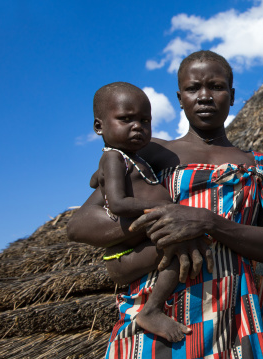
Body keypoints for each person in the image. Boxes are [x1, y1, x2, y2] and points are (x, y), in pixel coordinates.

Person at [68, 50, 263, 358]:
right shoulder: (151, 153)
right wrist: (166, 222)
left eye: (216, 86)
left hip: (235, 313)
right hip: (160, 311)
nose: (204, 96)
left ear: (232, 95)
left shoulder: (257, 167)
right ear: (180, 98)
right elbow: (80, 225)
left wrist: (208, 221)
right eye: (193, 88)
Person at [90, 81, 192, 342]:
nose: (137, 126)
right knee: (177, 245)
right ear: (99, 126)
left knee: (180, 244)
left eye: (144, 121)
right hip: (124, 252)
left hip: (139, 242)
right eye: (126, 119)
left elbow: (96, 181)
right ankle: (152, 310)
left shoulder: (132, 158)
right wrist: (167, 208)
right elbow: (118, 203)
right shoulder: (114, 158)